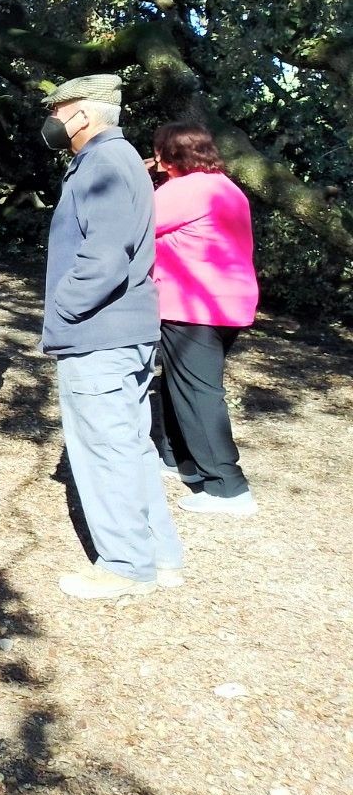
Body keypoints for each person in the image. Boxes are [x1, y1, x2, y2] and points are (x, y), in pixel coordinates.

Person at [40, 73, 183, 600]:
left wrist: (63, 313)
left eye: (60, 111)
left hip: (99, 332)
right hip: (124, 330)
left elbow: (104, 257)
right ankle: (159, 557)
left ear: (82, 115)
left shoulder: (104, 162)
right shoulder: (119, 162)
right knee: (131, 448)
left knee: (104, 450)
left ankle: (124, 565)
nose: (53, 121)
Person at [149, 122, 260, 516]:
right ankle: (179, 460)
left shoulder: (183, 189)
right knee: (180, 384)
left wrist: (143, 179)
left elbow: (137, 225)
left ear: (169, 154)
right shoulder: (228, 188)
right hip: (230, 303)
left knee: (198, 392)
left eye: (159, 151)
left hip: (192, 305)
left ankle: (228, 488)